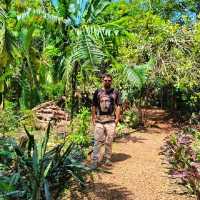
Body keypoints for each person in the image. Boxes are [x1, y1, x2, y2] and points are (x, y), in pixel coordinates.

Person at [90, 73, 121, 169]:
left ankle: (107, 159)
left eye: (109, 80)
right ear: (102, 81)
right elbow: (94, 105)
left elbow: (118, 106)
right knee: (97, 141)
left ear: (111, 81)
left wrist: (117, 118)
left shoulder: (115, 92)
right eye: (105, 80)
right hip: (99, 120)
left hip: (111, 120)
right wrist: (93, 118)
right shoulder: (98, 92)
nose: (107, 82)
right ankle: (94, 161)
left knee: (109, 141)